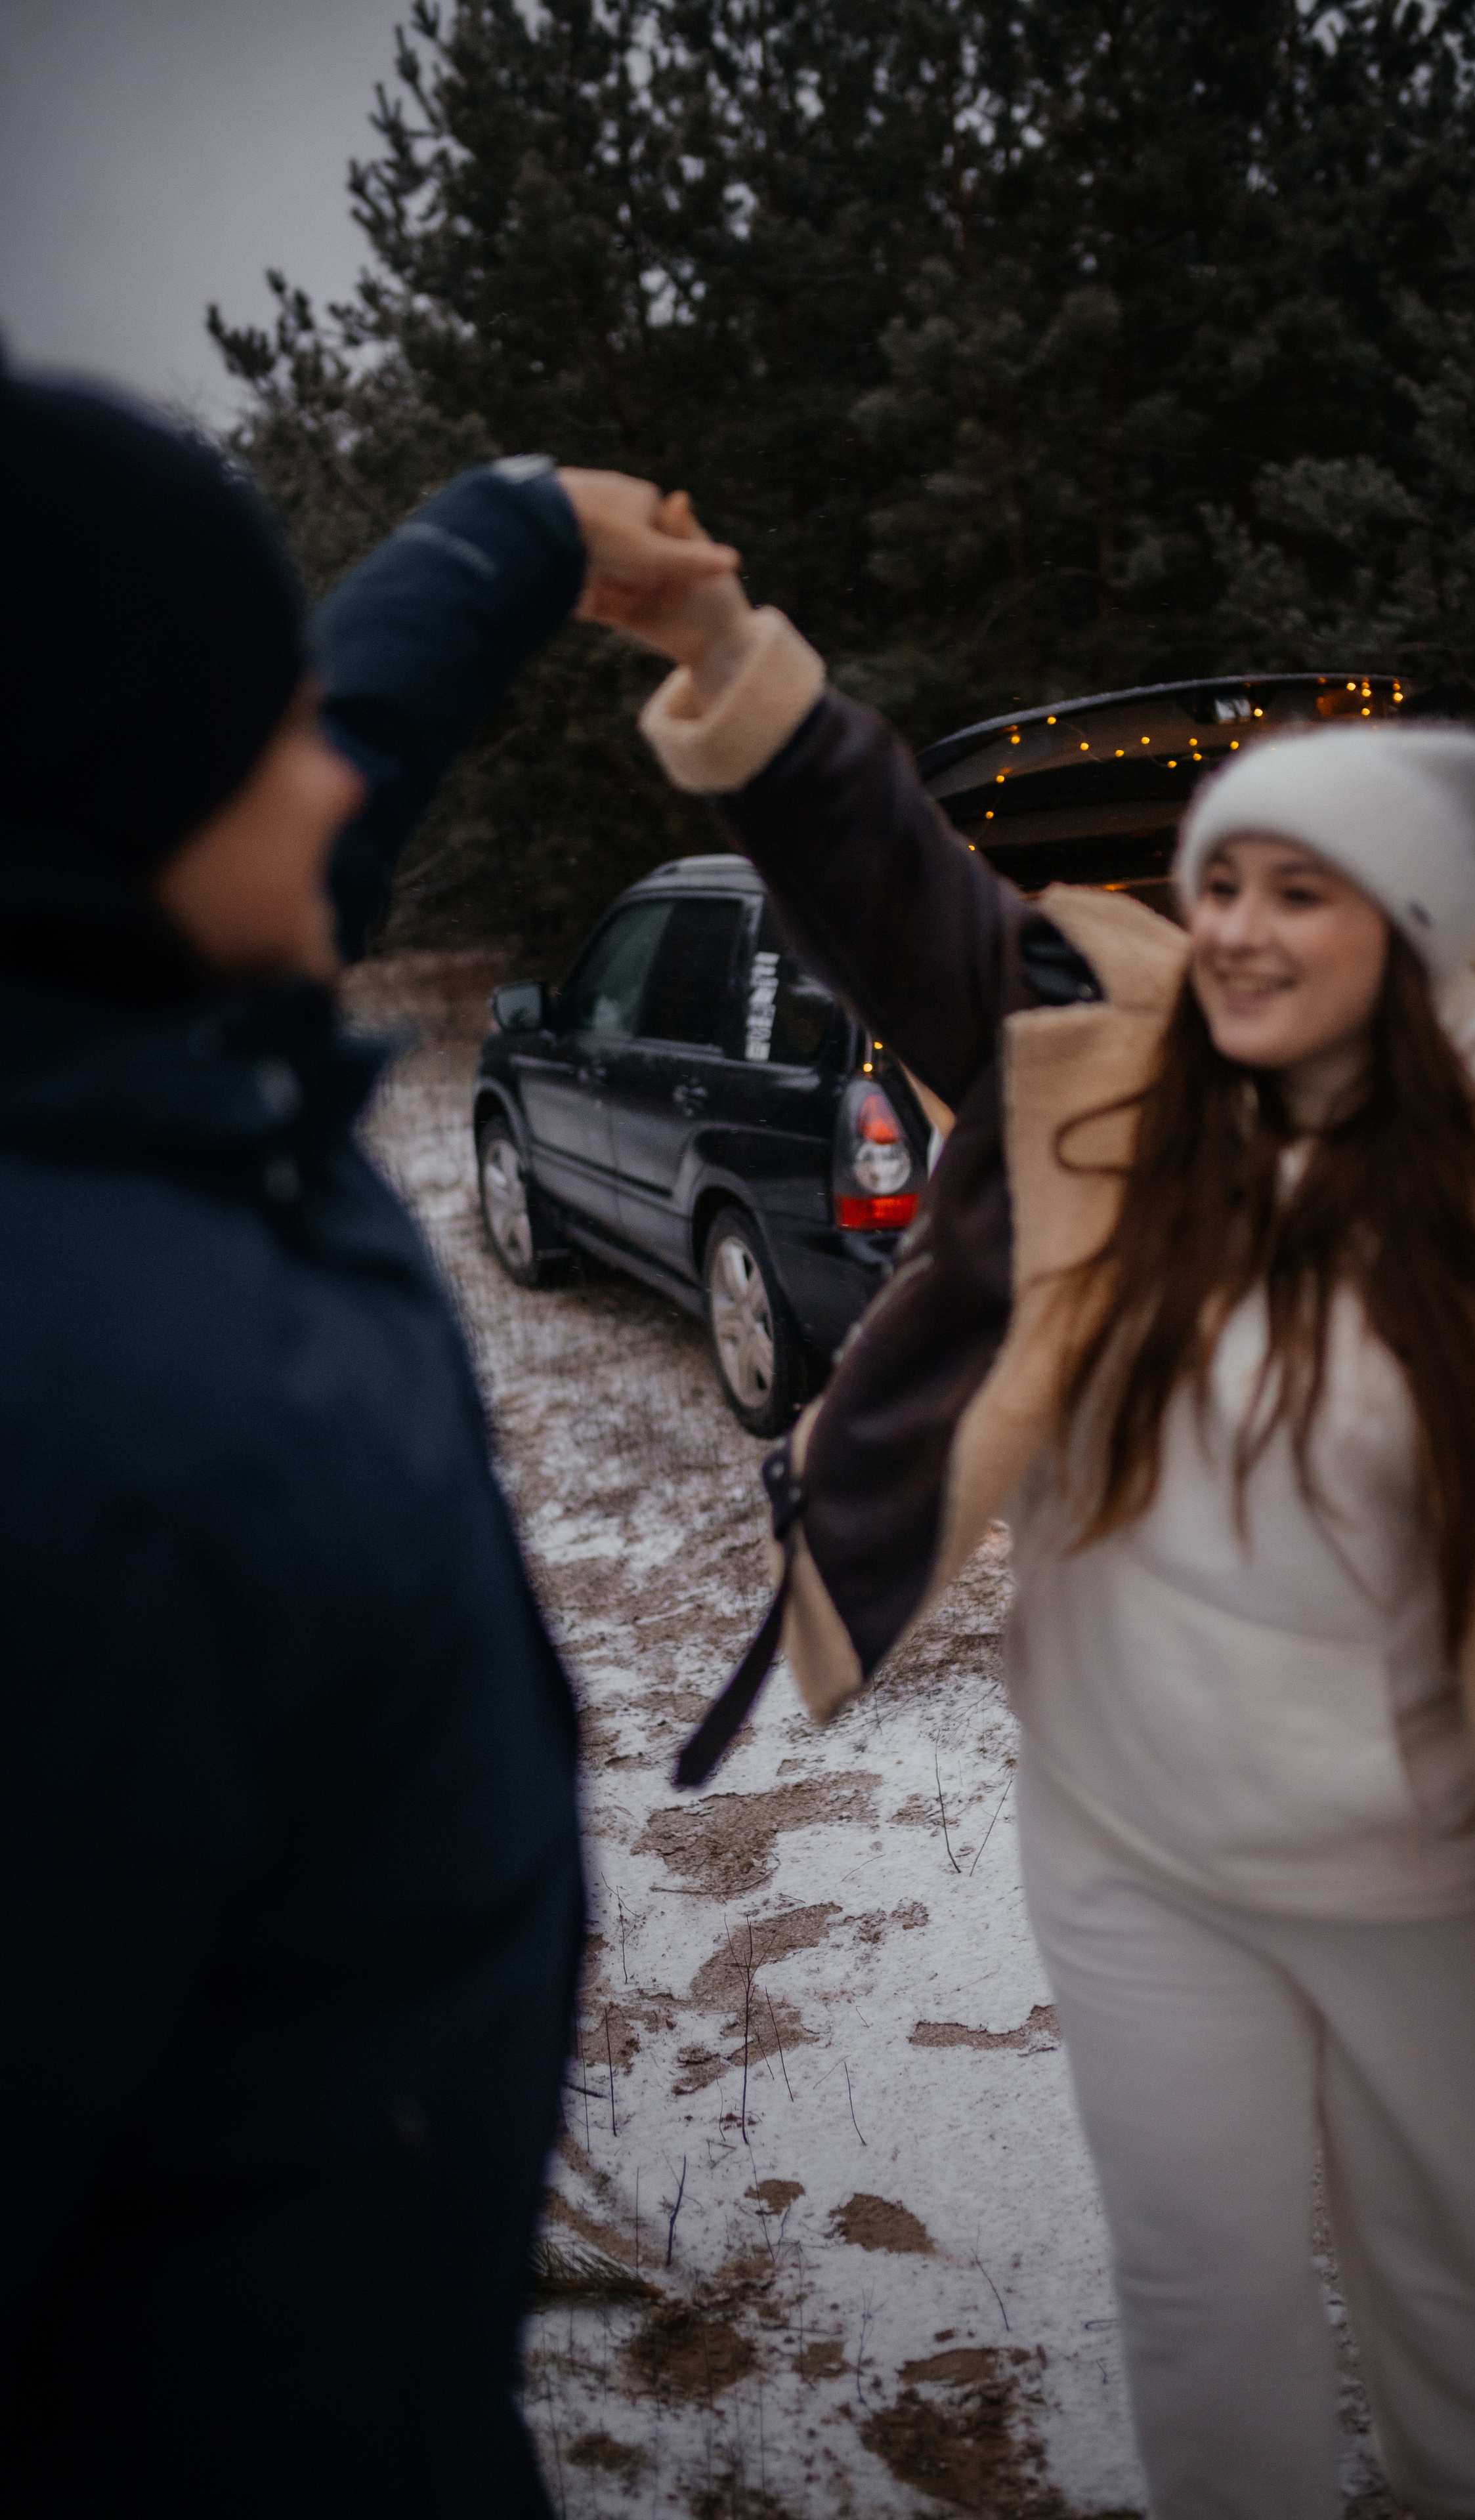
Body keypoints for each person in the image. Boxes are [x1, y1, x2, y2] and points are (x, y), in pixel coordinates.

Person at [596, 520, 1475, 2520]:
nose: (1243, 932)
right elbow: (874, 867)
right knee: (1203, 2306)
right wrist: (716, 634)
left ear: (1430, 921)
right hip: (1136, 1854)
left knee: (1456, 2303)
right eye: (1225, 886)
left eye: (1306, 891)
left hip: (1438, 1882)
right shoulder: (1095, 1064)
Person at [0, 360, 736, 2518]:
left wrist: (512, 529)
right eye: (267, 743)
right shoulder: (110, 1449)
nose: (336, 789)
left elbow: (341, 724)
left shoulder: (111, 1014)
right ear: (120, 802)